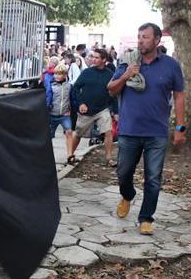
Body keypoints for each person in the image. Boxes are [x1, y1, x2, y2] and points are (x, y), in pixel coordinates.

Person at [107, 22, 185, 236]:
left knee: (153, 177)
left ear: (157, 40)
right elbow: (111, 90)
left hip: (156, 132)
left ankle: (146, 218)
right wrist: (126, 75)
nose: (140, 40)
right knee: (123, 173)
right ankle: (127, 194)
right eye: (139, 36)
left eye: (145, 37)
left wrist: (180, 126)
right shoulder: (128, 62)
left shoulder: (171, 65)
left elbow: (179, 95)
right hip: (129, 130)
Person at [71, 48, 116, 167]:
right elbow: (75, 88)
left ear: (104, 60)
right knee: (78, 133)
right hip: (86, 110)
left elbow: (114, 92)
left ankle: (109, 158)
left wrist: (115, 111)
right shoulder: (86, 72)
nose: (93, 59)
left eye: (96, 57)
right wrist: (81, 103)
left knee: (108, 132)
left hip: (103, 109)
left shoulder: (110, 74)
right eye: (92, 57)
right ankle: (70, 155)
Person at [41, 60, 75, 161]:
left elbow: (72, 100)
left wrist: (73, 110)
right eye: (55, 73)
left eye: (59, 74)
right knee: (48, 136)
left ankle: (70, 155)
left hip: (65, 115)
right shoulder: (50, 86)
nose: (57, 76)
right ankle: (45, 156)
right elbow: (46, 98)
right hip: (52, 114)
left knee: (69, 132)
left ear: (65, 75)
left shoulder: (69, 86)